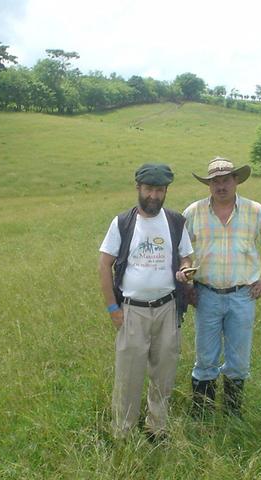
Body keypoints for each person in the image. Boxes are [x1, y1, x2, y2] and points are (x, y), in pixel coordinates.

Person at [183, 157, 261, 417]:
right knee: (205, 358)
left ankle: (232, 413)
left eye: (226, 180)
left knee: (239, 360)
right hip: (205, 295)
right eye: (215, 181)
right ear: (208, 185)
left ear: (236, 180)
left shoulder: (256, 211)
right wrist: (186, 280)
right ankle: (202, 414)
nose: (221, 186)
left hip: (242, 296)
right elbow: (181, 248)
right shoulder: (193, 212)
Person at [98, 163, 194, 441]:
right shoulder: (122, 223)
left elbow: (185, 256)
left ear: (166, 191)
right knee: (129, 376)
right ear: (138, 188)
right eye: (149, 189)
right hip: (132, 312)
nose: (153, 195)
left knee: (164, 373)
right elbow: (104, 266)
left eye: (159, 190)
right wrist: (113, 309)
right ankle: (123, 432)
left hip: (167, 309)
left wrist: (185, 268)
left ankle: (157, 428)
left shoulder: (175, 222)